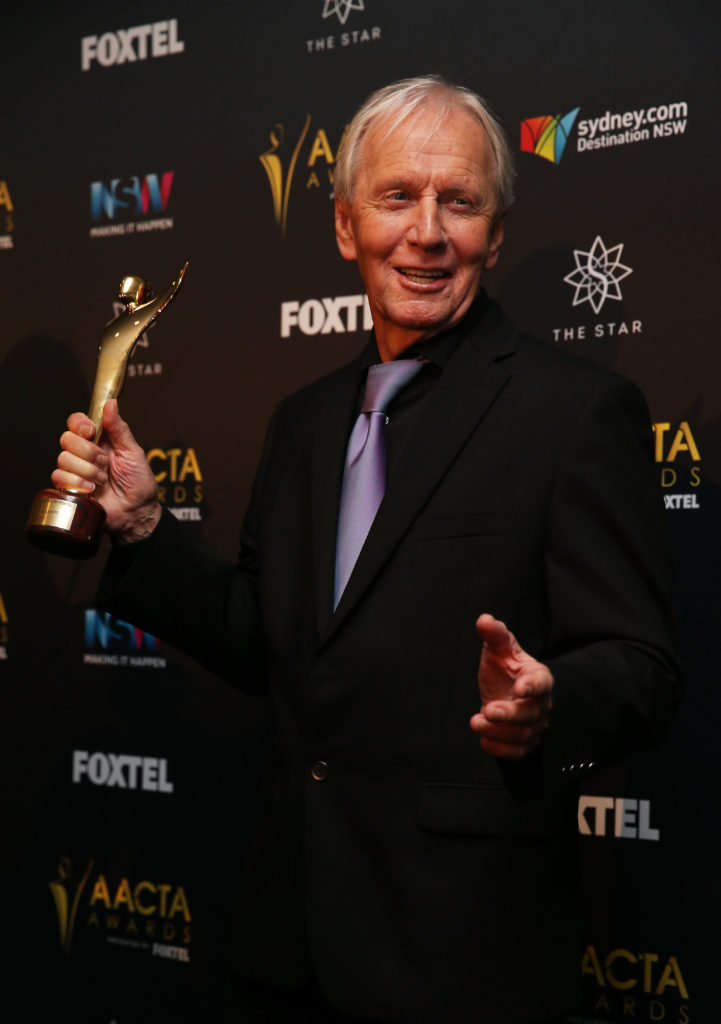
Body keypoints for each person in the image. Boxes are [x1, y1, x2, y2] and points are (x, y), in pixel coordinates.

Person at [53, 77, 681, 1023]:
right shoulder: (302, 421)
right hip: (285, 942)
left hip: (461, 959)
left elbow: (642, 666)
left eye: (458, 202)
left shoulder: (575, 412)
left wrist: (549, 707)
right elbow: (270, 646)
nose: (426, 233)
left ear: (494, 233)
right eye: (397, 198)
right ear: (346, 226)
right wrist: (144, 530)